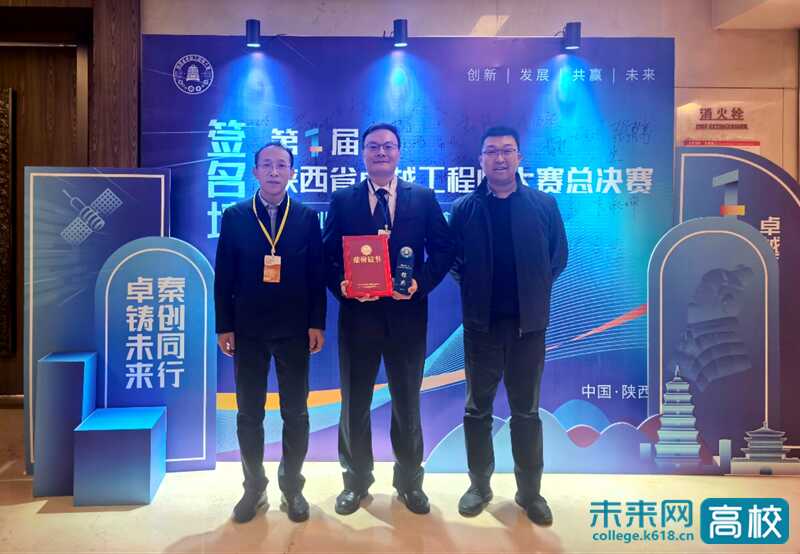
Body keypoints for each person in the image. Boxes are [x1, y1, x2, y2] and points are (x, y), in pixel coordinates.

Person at [322, 123, 455, 515]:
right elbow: (326, 256)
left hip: (407, 319)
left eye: (388, 146)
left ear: (398, 152)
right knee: (355, 404)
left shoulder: (423, 198)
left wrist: (420, 283)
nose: (381, 152)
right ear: (363, 153)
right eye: (373, 146)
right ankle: (356, 481)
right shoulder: (343, 200)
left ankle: (410, 483)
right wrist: (342, 285)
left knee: (407, 403)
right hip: (358, 319)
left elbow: (444, 250)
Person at [449, 126, 568, 525]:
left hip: (528, 329)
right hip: (481, 328)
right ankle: (479, 487)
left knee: (526, 412)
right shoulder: (464, 209)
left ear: (519, 157)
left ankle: (529, 493)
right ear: (480, 160)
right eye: (491, 151)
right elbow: (454, 262)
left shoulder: (543, 205)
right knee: (477, 410)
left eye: (507, 151)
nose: (499, 158)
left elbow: (557, 258)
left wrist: (532, 293)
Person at [214, 142, 326, 523]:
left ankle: (292, 487)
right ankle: (254, 488)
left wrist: (316, 323)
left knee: (296, 412)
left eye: (281, 165)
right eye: (267, 165)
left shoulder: (307, 218)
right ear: (255, 172)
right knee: (249, 413)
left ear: (292, 172)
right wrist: (224, 326)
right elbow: (224, 276)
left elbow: (316, 276)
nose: (274, 172)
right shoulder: (235, 216)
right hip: (248, 330)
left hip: (295, 330)